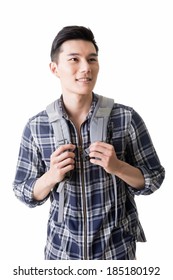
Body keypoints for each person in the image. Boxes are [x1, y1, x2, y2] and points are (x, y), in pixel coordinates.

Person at [13, 25, 165, 260]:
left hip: (117, 254)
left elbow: (154, 178)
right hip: (61, 255)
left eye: (91, 59)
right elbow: (22, 191)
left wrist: (118, 167)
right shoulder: (36, 126)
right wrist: (51, 175)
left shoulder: (126, 118)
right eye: (74, 59)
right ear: (55, 68)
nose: (86, 68)